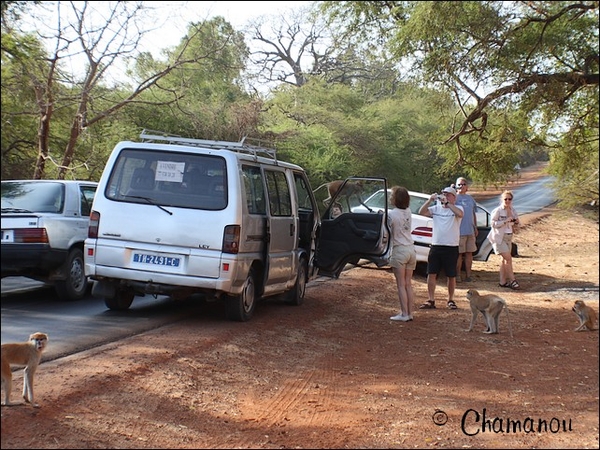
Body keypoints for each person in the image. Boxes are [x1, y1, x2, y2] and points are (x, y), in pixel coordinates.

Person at [417, 186, 464, 310]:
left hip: (451, 246)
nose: (444, 196)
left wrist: (448, 204)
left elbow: (460, 214)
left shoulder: (457, 208)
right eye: (443, 194)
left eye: (448, 194)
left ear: (454, 197)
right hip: (436, 245)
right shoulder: (436, 208)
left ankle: (451, 299)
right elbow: (421, 212)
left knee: (451, 275)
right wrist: (429, 200)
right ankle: (431, 299)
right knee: (431, 273)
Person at [387, 186, 417, 322]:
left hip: (399, 249)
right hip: (411, 249)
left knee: (400, 284)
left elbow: (386, 232)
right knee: (408, 284)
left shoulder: (391, 214)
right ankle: (409, 313)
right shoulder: (409, 211)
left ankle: (404, 313)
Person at [488, 190, 520, 289]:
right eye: (505, 199)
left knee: (504, 260)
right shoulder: (498, 210)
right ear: (502, 199)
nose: (507, 201)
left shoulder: (513, 210)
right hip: (499, 238)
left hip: (508, 237)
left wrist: (516, 222)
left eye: (509, 199)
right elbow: (493, 224)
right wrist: (504, 221)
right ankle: (513, 280)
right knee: (508, 259)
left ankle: (502, 282)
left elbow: (517, 223)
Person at [455, 177, 478, 282]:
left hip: (470, 231)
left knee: (469, 253)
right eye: (459, 184)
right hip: (459, 232)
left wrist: (475, 227)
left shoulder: (470, 199)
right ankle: (457, 275)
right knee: (459, 254)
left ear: (467, 187)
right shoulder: (454, 198)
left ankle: (468, 276)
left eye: (463, 184)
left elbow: (473, 214)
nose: (461, 186)